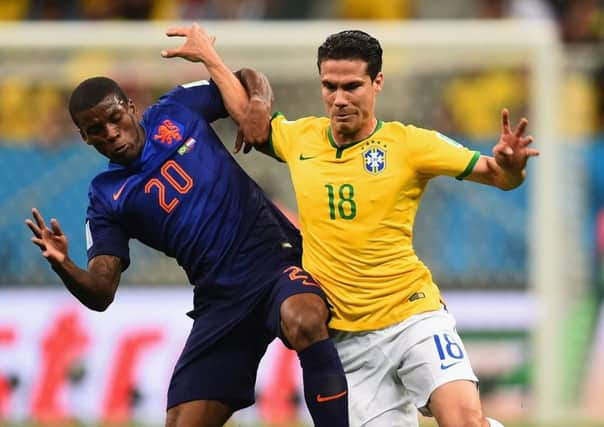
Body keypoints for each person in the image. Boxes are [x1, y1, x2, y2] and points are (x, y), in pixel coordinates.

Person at [25, 23, 349, 427]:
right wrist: (63, 264)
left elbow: (247, 77)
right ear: (85, 138)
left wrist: (258, 105)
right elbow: (101, 290)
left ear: (129, 106)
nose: (110, 133)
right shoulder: (105, 196)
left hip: (274, 262)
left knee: (305, 318)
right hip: (220, 298)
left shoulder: (177, 108)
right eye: (96, 131)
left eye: (113, 118)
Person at [237, 30, 539, 426]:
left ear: (377, 83)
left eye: (352, 86)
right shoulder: (299, 138)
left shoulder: (410, 144)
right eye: (329, 86)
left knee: (465, 421)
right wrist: (212, 58)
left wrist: (512, 167)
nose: (339, 99)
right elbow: (241, 99)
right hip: (348, 340)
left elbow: (498, 176)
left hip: (414, 315)